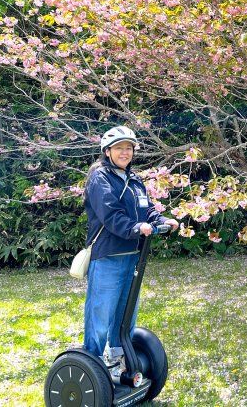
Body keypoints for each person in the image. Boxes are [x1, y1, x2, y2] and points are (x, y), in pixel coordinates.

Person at [82, 125, 178, 369]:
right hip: (108, 254)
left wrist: (162, 221)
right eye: (119, 148)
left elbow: (146, 211)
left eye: (129, 148)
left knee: (126, 313)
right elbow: (110, 214)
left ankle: (116, 360)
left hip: (132, 255)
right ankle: (92, 363)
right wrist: (135, 228)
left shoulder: (134, 180)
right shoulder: (99, 177)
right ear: (107, 151)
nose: (125, 153)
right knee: (101, 312)